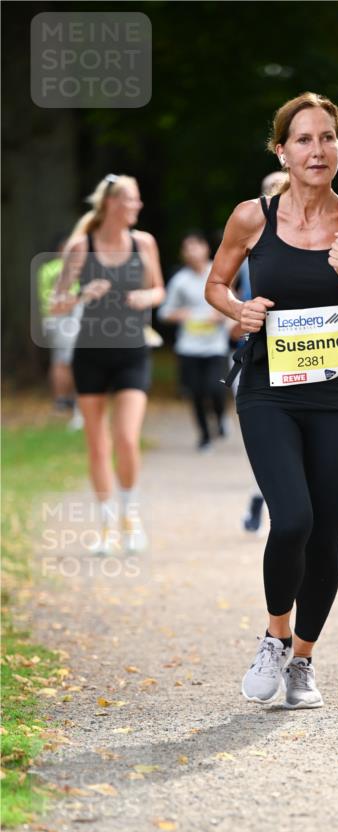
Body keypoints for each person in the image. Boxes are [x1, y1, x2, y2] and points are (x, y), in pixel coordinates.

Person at [205, 92, 338, 709]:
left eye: (328, 138)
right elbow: (217, 283)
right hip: (269, 391)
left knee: (327, 535)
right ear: (281, 150)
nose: (318, 150)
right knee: (292, 521)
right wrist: (239, 309)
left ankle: (303, 662)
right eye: (305, 140)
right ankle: (274, 637)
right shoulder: (252, 217)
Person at [51, 173, 165, 554]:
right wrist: (83, 293)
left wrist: (144, 297)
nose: (138, 205)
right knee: (98, 446)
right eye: (132, 199)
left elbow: (159, 290)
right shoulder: (81, 247)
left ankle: (130, 516)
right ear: (113, 204)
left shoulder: (143, 243)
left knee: (127, 439)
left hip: (132, 352)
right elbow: (56, 303)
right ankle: (104, 525)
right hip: (91, 355)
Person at [235, 170, 286, 531]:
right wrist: (239, 313)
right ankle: (264, 499)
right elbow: (226, 295)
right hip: (259, 355)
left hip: (309, 354)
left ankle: (267, 501)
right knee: (273, 443)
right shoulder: (247, 242)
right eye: (269, 192)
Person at [158, 232, 231, 450]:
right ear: (183, 254)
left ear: (205, 249)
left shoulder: (218, 273)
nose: (192, 252)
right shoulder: (180, 280)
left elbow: (233, 303)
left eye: (196, 247)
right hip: (189, 346)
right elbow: (164, 312)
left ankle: (219, 418)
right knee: (196, 392)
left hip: (215, 345)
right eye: (187, 248)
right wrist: (181, 314)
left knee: (215, 389)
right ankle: (204, 436)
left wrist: (222, 315)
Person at [37, 235, 84, 428]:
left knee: (59, 358)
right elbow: (64, 298)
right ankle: (68, 399)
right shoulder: (62, 269)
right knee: (66, 360)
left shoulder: (45, 268)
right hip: (64, 318)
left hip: (53, 318)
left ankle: (61, 400)